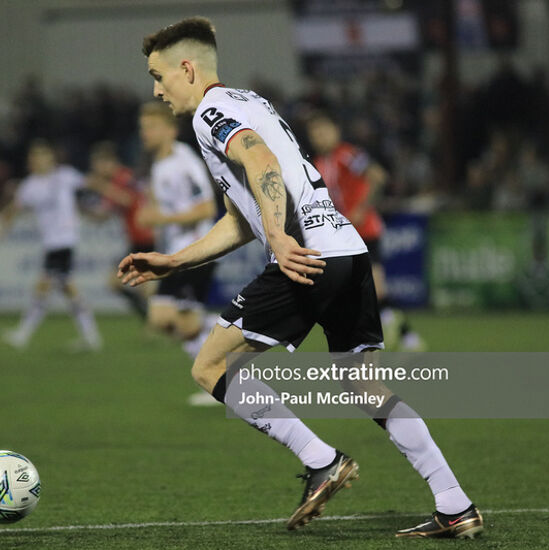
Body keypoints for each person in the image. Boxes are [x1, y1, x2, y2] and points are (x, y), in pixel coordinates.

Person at [118, 17, 481, 538]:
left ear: (187, 68)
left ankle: (320, 460)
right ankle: (454, 503)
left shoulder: (210, 113)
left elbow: (259, 159)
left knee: (210, 365)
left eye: (158, 75)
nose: (156, 89)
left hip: (308, 256)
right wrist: (175, 261)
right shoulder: (252, 103)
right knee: (365, 385)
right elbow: (239, 217)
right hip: (347, 247)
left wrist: (280, 236)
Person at [307, 112, 425, 351]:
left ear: (336, 131)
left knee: (372, 290)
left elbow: (378, 176)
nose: (320, 137)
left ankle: (398, 338)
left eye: (324, 131)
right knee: (365, 291)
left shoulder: (347, 155)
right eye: (315, 134)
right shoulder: (318, 163)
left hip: (366, 230)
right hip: (345, 234)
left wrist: (362, 208)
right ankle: (401, 338)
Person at [137, 101, 219, 406]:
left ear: (170, 130)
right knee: (161, 319)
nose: (145, 133)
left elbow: (207, 208)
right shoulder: (159, 165)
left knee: (182, 323)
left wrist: (161, 218)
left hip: (198, 249)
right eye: (143, 127)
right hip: (175, 251)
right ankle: (222, 329)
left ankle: (216, 382)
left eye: (151, 127)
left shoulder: (185, 162)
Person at [0, 140, 101, 351]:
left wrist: (104, 200)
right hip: (51, 243)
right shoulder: (30, 185)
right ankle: (91, 337)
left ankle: (22, 335)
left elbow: (89, 183)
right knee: (67, 289)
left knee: (44, 287)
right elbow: (15, 207)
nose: (37, 161)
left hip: (64, 241)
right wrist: (3, 226)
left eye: (41, 156)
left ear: (51, 159)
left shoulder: (65, 175)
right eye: (34, 158)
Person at [86, 141, 155, 319]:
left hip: (144, 236)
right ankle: (150, 319)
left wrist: (101, 186)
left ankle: (153, 320)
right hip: (137, 238)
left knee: (139, 286)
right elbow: (105, 214)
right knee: (124, 285)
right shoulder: (117, 181)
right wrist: (84, 211)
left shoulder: (124, 177)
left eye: (98, 166)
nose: (98, 171)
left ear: (108, 162)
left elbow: (127, 200)